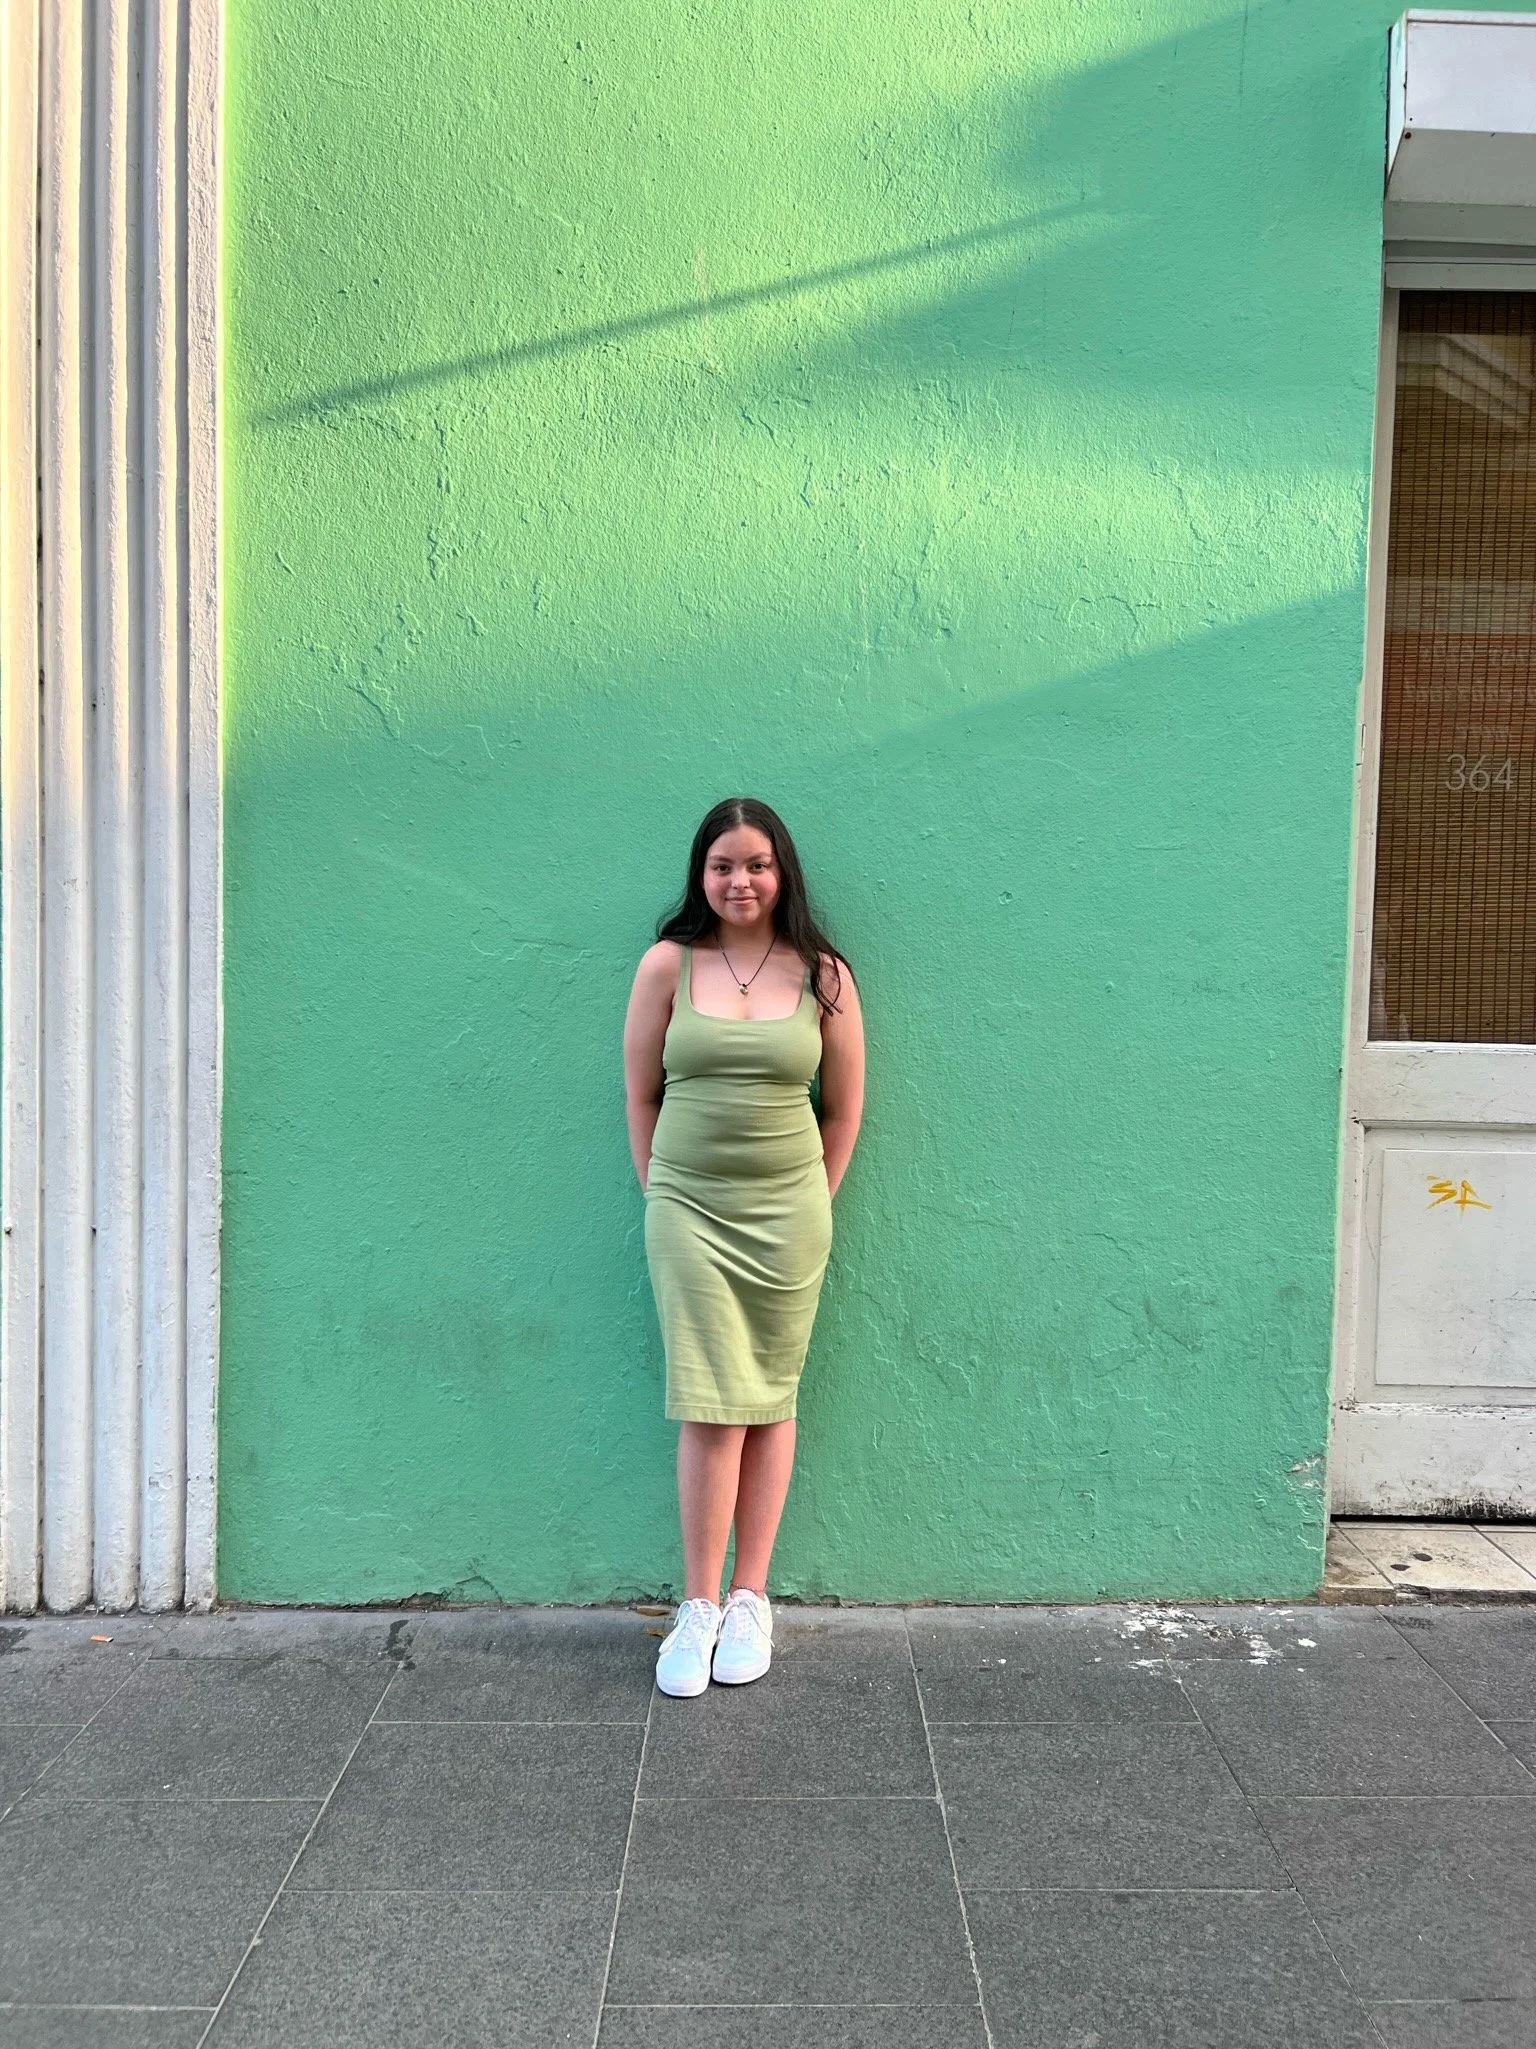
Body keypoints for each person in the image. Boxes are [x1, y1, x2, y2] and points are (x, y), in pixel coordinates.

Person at [623, 797, 865, 1697]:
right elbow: (641, 1095)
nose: (739, 880)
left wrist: (814, 1199)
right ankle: (696, 1607)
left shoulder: (824, 975)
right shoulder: (666, 967)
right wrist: (662, 1193)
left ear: (782, 871)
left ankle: (751, 1596)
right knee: (708, 1400)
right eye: (723, 864)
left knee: (770, 1393)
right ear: (702, 873)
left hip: (789, 1213)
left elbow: (842, 1111)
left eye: (756, 864)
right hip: (687, 1209)